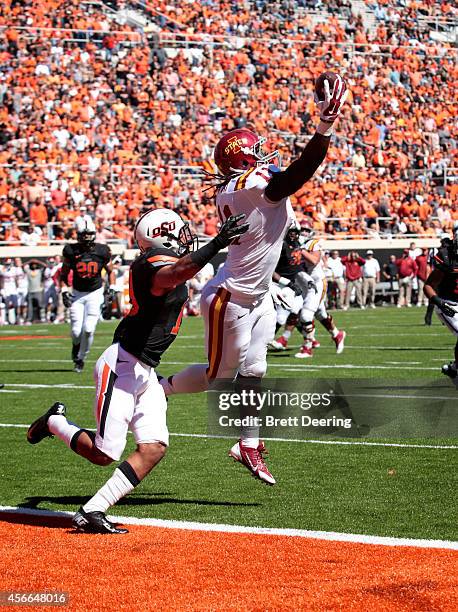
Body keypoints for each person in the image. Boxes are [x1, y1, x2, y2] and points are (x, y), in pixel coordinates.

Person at [159, 73, 348, 485]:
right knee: (218, 380)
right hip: (230, 296)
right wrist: (324, 126)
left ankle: (247, 444)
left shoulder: (236, 185)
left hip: (258, 295)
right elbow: (296, 174)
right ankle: (161, 387)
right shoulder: (249, 186)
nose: (262, 155)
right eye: (254, 152)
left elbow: (283, 181)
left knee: (256, 370)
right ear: (242, 161)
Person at [27, 208, 248, 534]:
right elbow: (173, 274)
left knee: (154, 447)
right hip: (123, 366)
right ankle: (55, 422)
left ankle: (94, 508)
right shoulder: (150, 263)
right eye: (179, 231)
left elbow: (182, 272)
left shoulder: (163, 260)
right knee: (105, 453)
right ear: (163, 236)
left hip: (145, 371)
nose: (186, 236)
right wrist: (216, 243)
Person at [60, 219, 114, 373]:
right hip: (77, 294)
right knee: (76, 332)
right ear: (78, 235)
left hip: (95, 293)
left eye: (90, 234)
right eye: (84, 235)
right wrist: (64, 290)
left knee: (89, 329)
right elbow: (64, 274)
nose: (87, 238)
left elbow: (111, 271)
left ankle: (81, 359)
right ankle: (76, 348)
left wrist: (112, 288)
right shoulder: (70, 250)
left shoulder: (102, 250)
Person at [294, 229, 346, 359]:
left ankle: (307, 348)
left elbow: (314, 261)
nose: (303, 233)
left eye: (306, 231)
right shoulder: (290, 245)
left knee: (305, 316)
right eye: (301, 231)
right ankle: (337, 334)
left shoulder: (313, 244)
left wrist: (300, 249)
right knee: (320, 314)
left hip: (316, 284)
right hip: (303, 285)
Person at [424, 226, 458, 383]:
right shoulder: (446, 256)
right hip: (449, 303)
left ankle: (454, 368)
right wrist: (439, 303)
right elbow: (428, 285)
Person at [269, 225, 309, 351]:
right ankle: (265, 340)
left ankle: (303, 339)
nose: (293, 235)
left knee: (296, 310)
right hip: (279, 284)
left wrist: (308, 280)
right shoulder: (281, 246)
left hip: (291, 284)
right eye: (290, 232)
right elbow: (271, 271)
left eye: (295, 232)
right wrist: (288, 283)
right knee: (281, 317)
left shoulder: (297, 243)